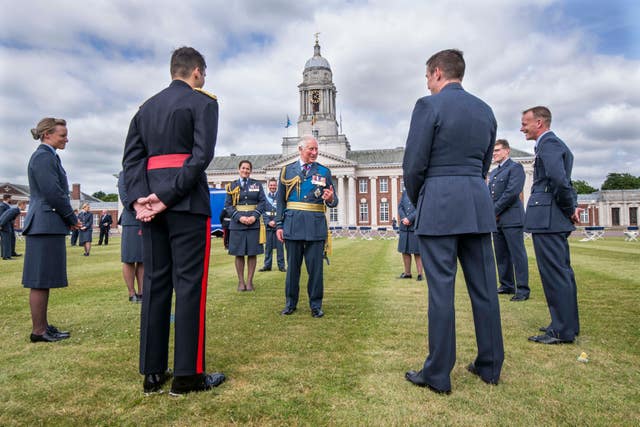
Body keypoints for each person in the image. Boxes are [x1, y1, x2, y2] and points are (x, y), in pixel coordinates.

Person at [122, 46, 225, 395]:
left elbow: (131, 161)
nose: (204, 78)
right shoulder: (204, 102)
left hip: (150, 207)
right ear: (196, 71)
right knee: (189, 286)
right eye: (204, 72)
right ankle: (187, 375)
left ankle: (152, 374)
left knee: (155, 284)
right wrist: (166, 198)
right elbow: (200, 158)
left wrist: (140, 199)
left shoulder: (144, 109)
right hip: (184, 204)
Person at [403, 49, 504, 394]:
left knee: (441, 292)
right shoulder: (485, 110)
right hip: (476, 204)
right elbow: (485, 162)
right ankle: (490, 366)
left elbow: (414, 165)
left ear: (436, 73)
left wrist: (422, 199)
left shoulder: (428, 106)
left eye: (428, 77)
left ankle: (438, 374)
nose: (427, 84)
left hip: (440, 206)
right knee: (485, 290)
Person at [521, 106, 580, 345]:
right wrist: (570, 206)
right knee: (562, 273)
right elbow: (564, 181)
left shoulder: (549, 144)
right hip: (552, 217)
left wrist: (568, 208)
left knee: (554, 274)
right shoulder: (551, 144)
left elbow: (559, 179)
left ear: (540, 123)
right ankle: (567, 324)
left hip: (549, 218)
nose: (522, 127)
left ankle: (561, 330)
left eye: (525, 123)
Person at [22, 117, 80, 342]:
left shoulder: (48, 156)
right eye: (62, 135)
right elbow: (53, 193)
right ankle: (38, 331)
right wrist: (71, 218)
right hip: (43, 225)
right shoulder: (43, 157)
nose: (66, 139)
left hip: (47, 224)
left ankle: (43, 326)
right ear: (47, 135)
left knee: (44, 279)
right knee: (39, 279)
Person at [276, 135, 338, 318]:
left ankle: (316, 305)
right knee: (292, 270)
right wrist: (279, 224)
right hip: (293, 225)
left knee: (316, 271)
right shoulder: (286, 171)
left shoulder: (324, 172)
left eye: (316, 149)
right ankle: (290, 303)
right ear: (300, 149)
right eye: (311, 149)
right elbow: (281, 201)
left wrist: (331, 199)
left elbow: (334, 200)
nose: (314, 152)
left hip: (315, 227)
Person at [488, 139, 530, 301]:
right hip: (497, 220)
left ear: (507, 151)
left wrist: (494, 211)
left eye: (497, 150)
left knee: (517, 254)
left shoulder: (515, 168)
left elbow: (512, 193)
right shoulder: (495, 172)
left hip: (512, 218)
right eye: (493, 151)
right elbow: (491, 194)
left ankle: (523, 289)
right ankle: (506, 285)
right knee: (501, 254)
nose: (494, 154)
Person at [224, 160, 266, 291]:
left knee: (252, 253)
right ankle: (241, 282)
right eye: (243, 168)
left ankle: (249, 282)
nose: (245, 170)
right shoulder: (231, 186)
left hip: (253, 224)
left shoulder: (257, 185)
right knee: (239, 253)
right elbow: (228, 206)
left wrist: (254, 216)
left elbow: (262, 202)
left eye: (248, 169)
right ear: (239, 169)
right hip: (237, 224)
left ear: (250, 171)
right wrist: (239, 217)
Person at [117, 171, 143, 303]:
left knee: (143, 258)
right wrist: (140, 210)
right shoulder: (124, 174)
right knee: (129, 258)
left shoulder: (146, 172)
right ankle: (131, 292)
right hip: (132, 220)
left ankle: (142, 292)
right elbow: (125, 197)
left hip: (146, 219)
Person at [259, 178, 286, 273]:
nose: (272, 187)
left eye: (274, 185)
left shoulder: (280, 197)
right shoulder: (265, 198)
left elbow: (282, 210)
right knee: (268, 247)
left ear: (276, 186)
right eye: (271, 185)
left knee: (280, 248)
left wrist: (275, 221)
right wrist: (268, 222)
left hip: (278, 225)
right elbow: (262, 211)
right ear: (268, 186)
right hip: (269, 226)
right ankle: (267, 265)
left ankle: (281, 266)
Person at [397, 189, 423, 281]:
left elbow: (420, 207)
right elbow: (400, 207)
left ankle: (420, 274)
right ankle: (407, 273)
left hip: (415, 227)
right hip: (404, 228)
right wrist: (404, 218)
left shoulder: (420, 192)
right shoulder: (404, 193)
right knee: (405, 251)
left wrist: (409, 218)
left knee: (417, 252)